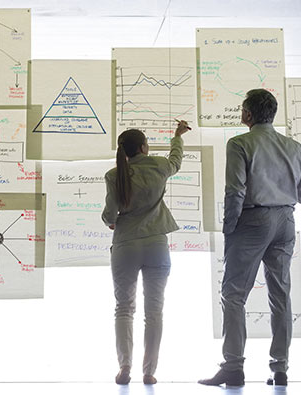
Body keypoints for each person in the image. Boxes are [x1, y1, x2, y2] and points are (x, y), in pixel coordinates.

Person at [199, 89, 301, 387]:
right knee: (281, 296)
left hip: (252, 221)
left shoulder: (240, 144)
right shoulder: (295, 147)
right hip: (286, 221)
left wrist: (229, 227)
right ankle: (280, 369)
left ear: (247, 114)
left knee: (234, 295)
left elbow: (234, 190)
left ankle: (233, 367)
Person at [102, 120, 191, 385]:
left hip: (126, 245)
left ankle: (124, 367)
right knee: (154, 311)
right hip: (156, 245)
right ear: (144, 147)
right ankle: (149, 372)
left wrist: (111, 220)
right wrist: (177, 137)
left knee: (124, 309)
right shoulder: (160, 166)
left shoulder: (114, 175)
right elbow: (176, 161)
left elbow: (110, 214)